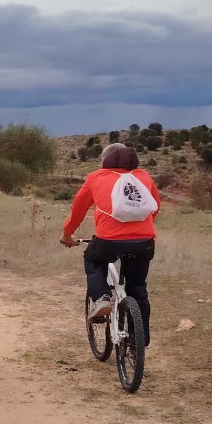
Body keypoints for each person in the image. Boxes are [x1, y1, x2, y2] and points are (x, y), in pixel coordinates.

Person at [60, 143, 160, 345]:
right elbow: (154, 207)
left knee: (92, 258)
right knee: (138, 288)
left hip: (108, 242)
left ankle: (102, 299)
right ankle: (139, 339)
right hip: (144, 242)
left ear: (105, 160)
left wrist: (67, 235)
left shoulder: (96, 177)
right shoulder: (143, 177)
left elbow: (77, 212)